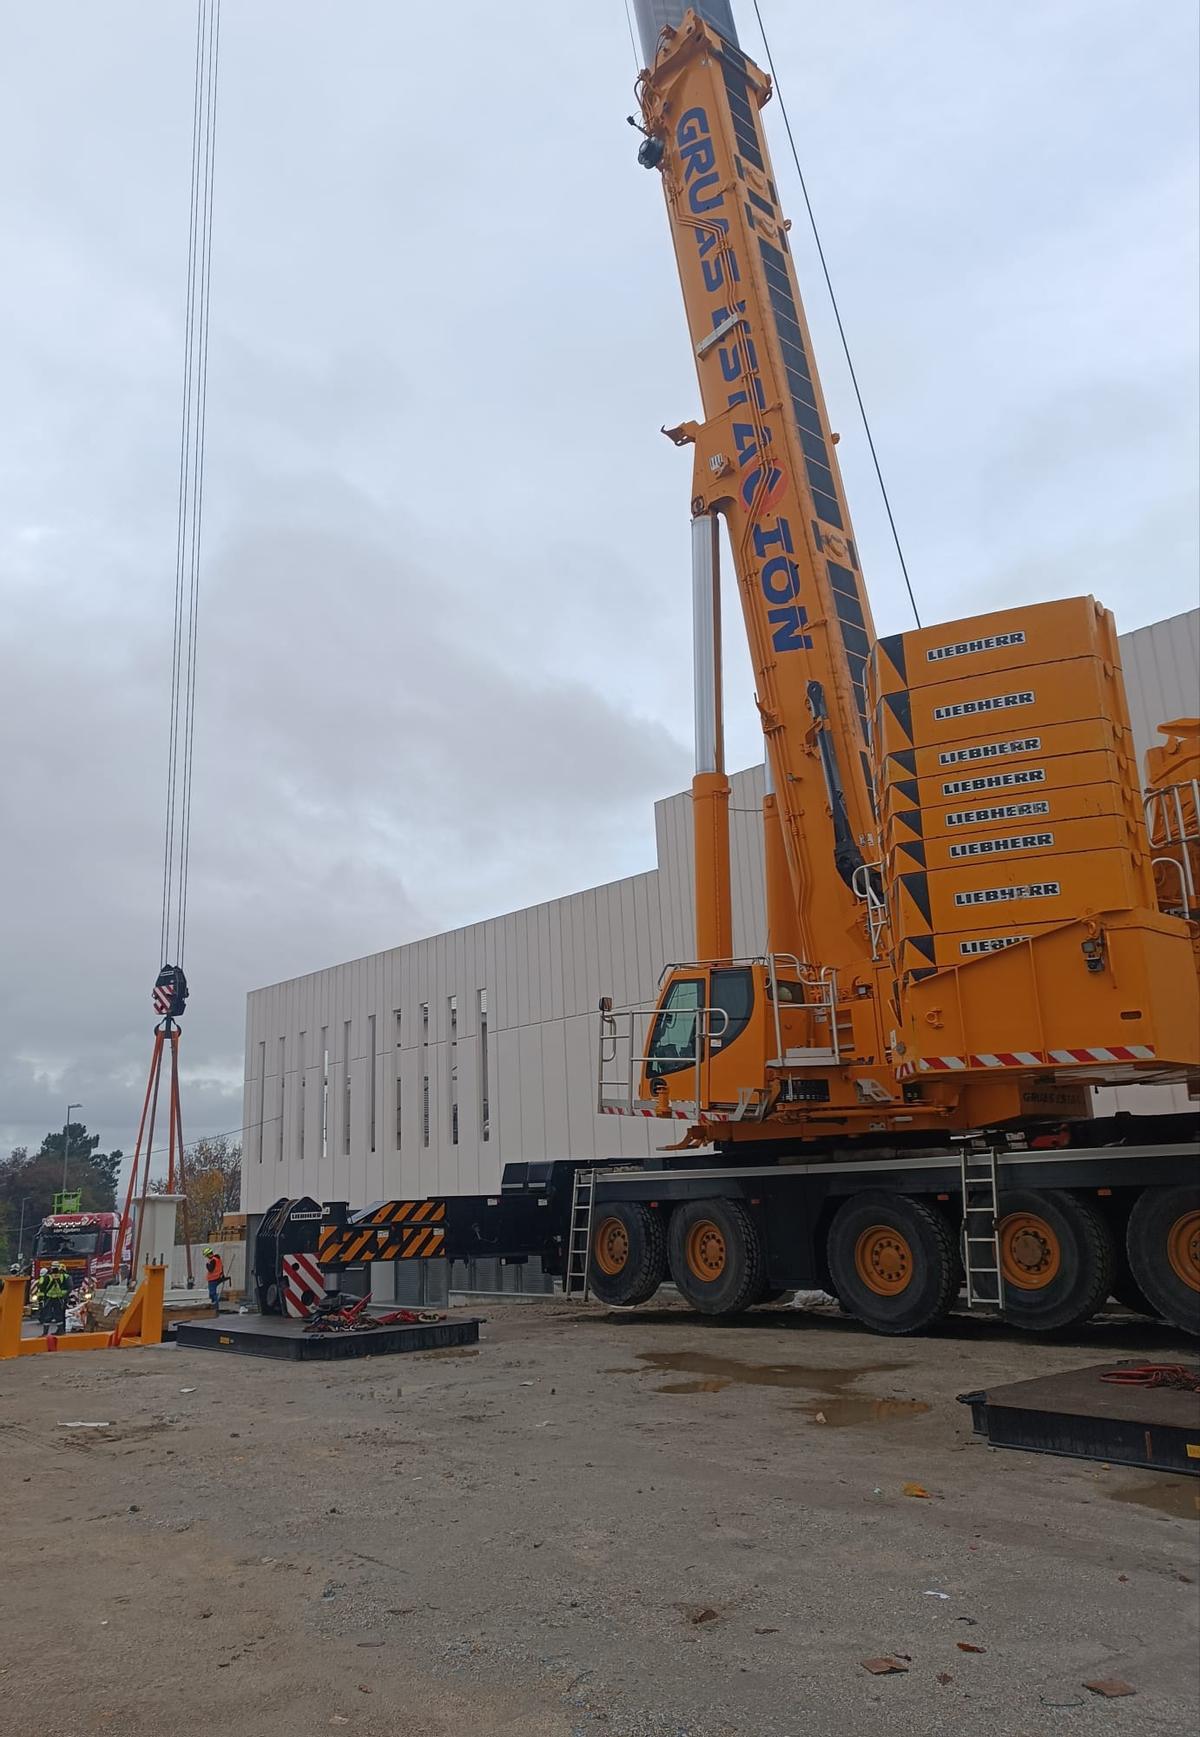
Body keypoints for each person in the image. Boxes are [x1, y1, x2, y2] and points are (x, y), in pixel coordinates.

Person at [44, 1262, 70, 1334]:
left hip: (58, 1298)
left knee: (58, 1315)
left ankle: (60, 1331)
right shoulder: (48, 1276)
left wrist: (63, 1295)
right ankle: (46, 1332)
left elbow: (67, 1287)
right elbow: (43, 1287)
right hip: (50, 1298)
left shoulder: (62, 1277)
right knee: (48, 1315)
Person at [203, 1247, 225, 1315]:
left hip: (213, 1279)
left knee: (212, 1294)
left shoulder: (212, 1260)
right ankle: (214, 1307)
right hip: (217, 1277)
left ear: (209, 1254)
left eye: (207, 1256)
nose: (207, 1257)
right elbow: (221, 1267)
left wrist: (207, 1265)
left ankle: (215, 1307)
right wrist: (222, 1275)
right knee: (212, 1294)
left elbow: (210, 1269)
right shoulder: (217, 1259)